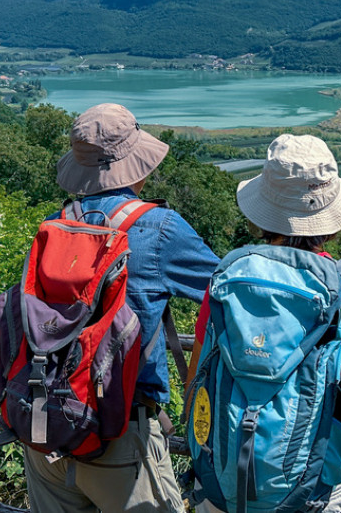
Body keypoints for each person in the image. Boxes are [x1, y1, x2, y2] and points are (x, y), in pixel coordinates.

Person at [24, 103, 220, 513]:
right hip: (120, 436)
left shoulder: (54, 224)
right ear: (138, 167)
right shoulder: (161, 227)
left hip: (45, 426)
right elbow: (227, 292)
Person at [188, 133, 341, 513]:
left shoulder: (228, 283)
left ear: (262, 212)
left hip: (226, 486)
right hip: (323, 492)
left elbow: (196, 385)